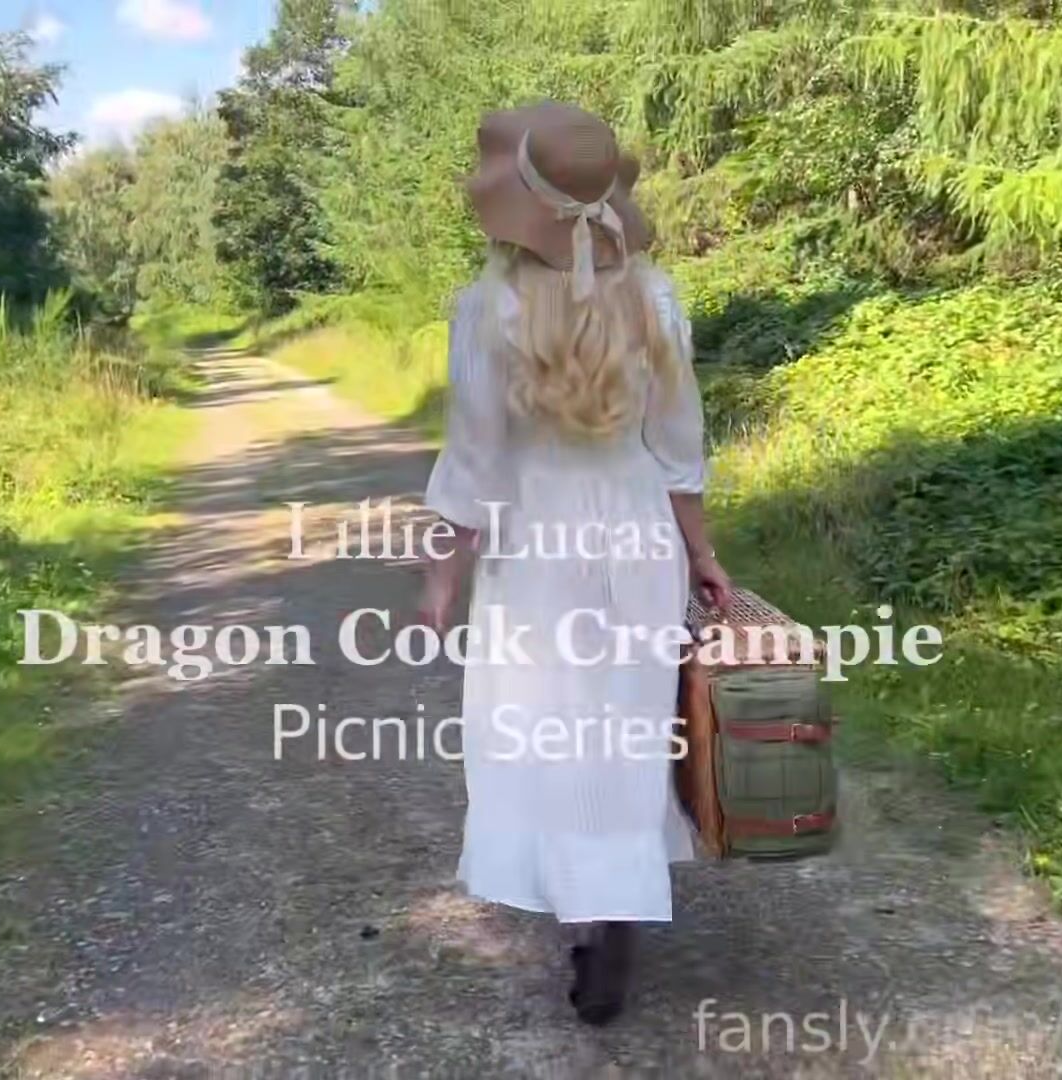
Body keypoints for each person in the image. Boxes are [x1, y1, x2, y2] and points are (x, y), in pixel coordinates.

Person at [414, 101, 733, 1026]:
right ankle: (617, 896)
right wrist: (703, 555)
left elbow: (472, 464)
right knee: (625, 731)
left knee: (547, 728)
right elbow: (679, 451)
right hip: (637, 542)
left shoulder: (487, 309)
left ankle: (584, 907)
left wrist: (441, 580)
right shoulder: (656, 298)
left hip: (535, 550)